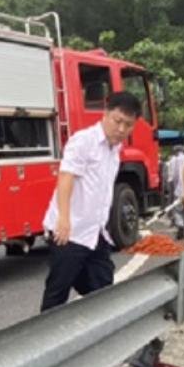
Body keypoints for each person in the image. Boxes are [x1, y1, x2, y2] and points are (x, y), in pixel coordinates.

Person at [39, 90, 140, 312]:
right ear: (105, 114)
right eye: (118, 121)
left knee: (103, 287)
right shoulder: (83, 141)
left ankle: (103, 339)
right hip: (69, 233)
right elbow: (66, 177)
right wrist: (64, 219)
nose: (122, 129)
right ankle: (42, 343)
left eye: (129, 124)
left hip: (94, 234)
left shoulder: (116, 149)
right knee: (57, 294)